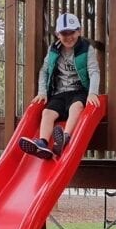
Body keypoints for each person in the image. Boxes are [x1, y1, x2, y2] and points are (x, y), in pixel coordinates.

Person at [19, 12, 101, 160]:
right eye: (64, 33)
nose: (68, 37)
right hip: (59, 92)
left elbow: (94, 71)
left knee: (76, 107)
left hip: (79, 91)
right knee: (47, 113)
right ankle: (42, 143)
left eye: (72, 32)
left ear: (79, 31)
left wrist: (93, 93)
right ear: (58, 34)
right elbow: (44, 70)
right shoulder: (54, 49)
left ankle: (65, 137)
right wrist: (42, 92)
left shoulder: (86, 49)